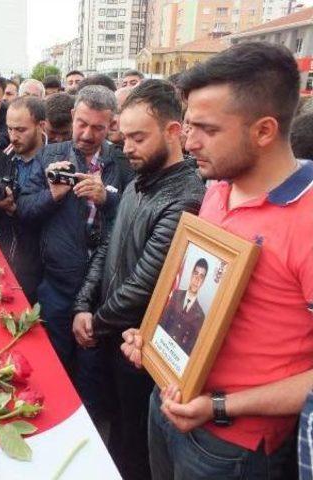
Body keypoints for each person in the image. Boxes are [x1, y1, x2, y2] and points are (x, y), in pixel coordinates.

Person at [120, 42, 312, 480]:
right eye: (188, 125)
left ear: (263, 131)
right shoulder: (217, 189)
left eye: (206, 129)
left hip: (232, 446)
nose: (188, 142)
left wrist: (221, 405)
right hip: (168, 404)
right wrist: (152, 337)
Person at [72, 80, 205, 480]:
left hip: (142, 348)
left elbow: (146, 283)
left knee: (135, 448)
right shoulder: (136, 182)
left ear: (173, 131)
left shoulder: (185, 196)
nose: (126, 147)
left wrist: (95, 321)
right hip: (114, 336)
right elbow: (107, 249)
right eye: (124, 136)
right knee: (115, 433)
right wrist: (82, 303)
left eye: (138, 138)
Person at [17, 85, 133, 375]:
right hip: (56, 285)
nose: (87, 134)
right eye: (81, 124)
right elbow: (24, 210)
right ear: (72, 116)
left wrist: (109, 199)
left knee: (91, 374)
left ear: (112, 125)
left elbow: (135, 218)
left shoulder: (122, 161)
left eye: (98, 127)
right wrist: (53, 194)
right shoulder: (49, 155)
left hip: (100, 292)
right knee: (53, 368)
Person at [0, 96, 46, 303]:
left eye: (21, 130)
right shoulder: (3, 158)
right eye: (9, 129)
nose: (13, 136)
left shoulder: (54, 162)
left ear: (41, 126)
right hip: (6, 254)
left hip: (41, 262)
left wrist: (14, 207)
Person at [158, 258, 208, 355]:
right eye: (195, 274)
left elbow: (190, 348)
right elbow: (162, 322)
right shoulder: (176, 295)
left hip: (176, 358)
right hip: (161, 345)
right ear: (191, 275)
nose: (197, 279)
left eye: (201, 277)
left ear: (203, 281)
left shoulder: (201, 315)